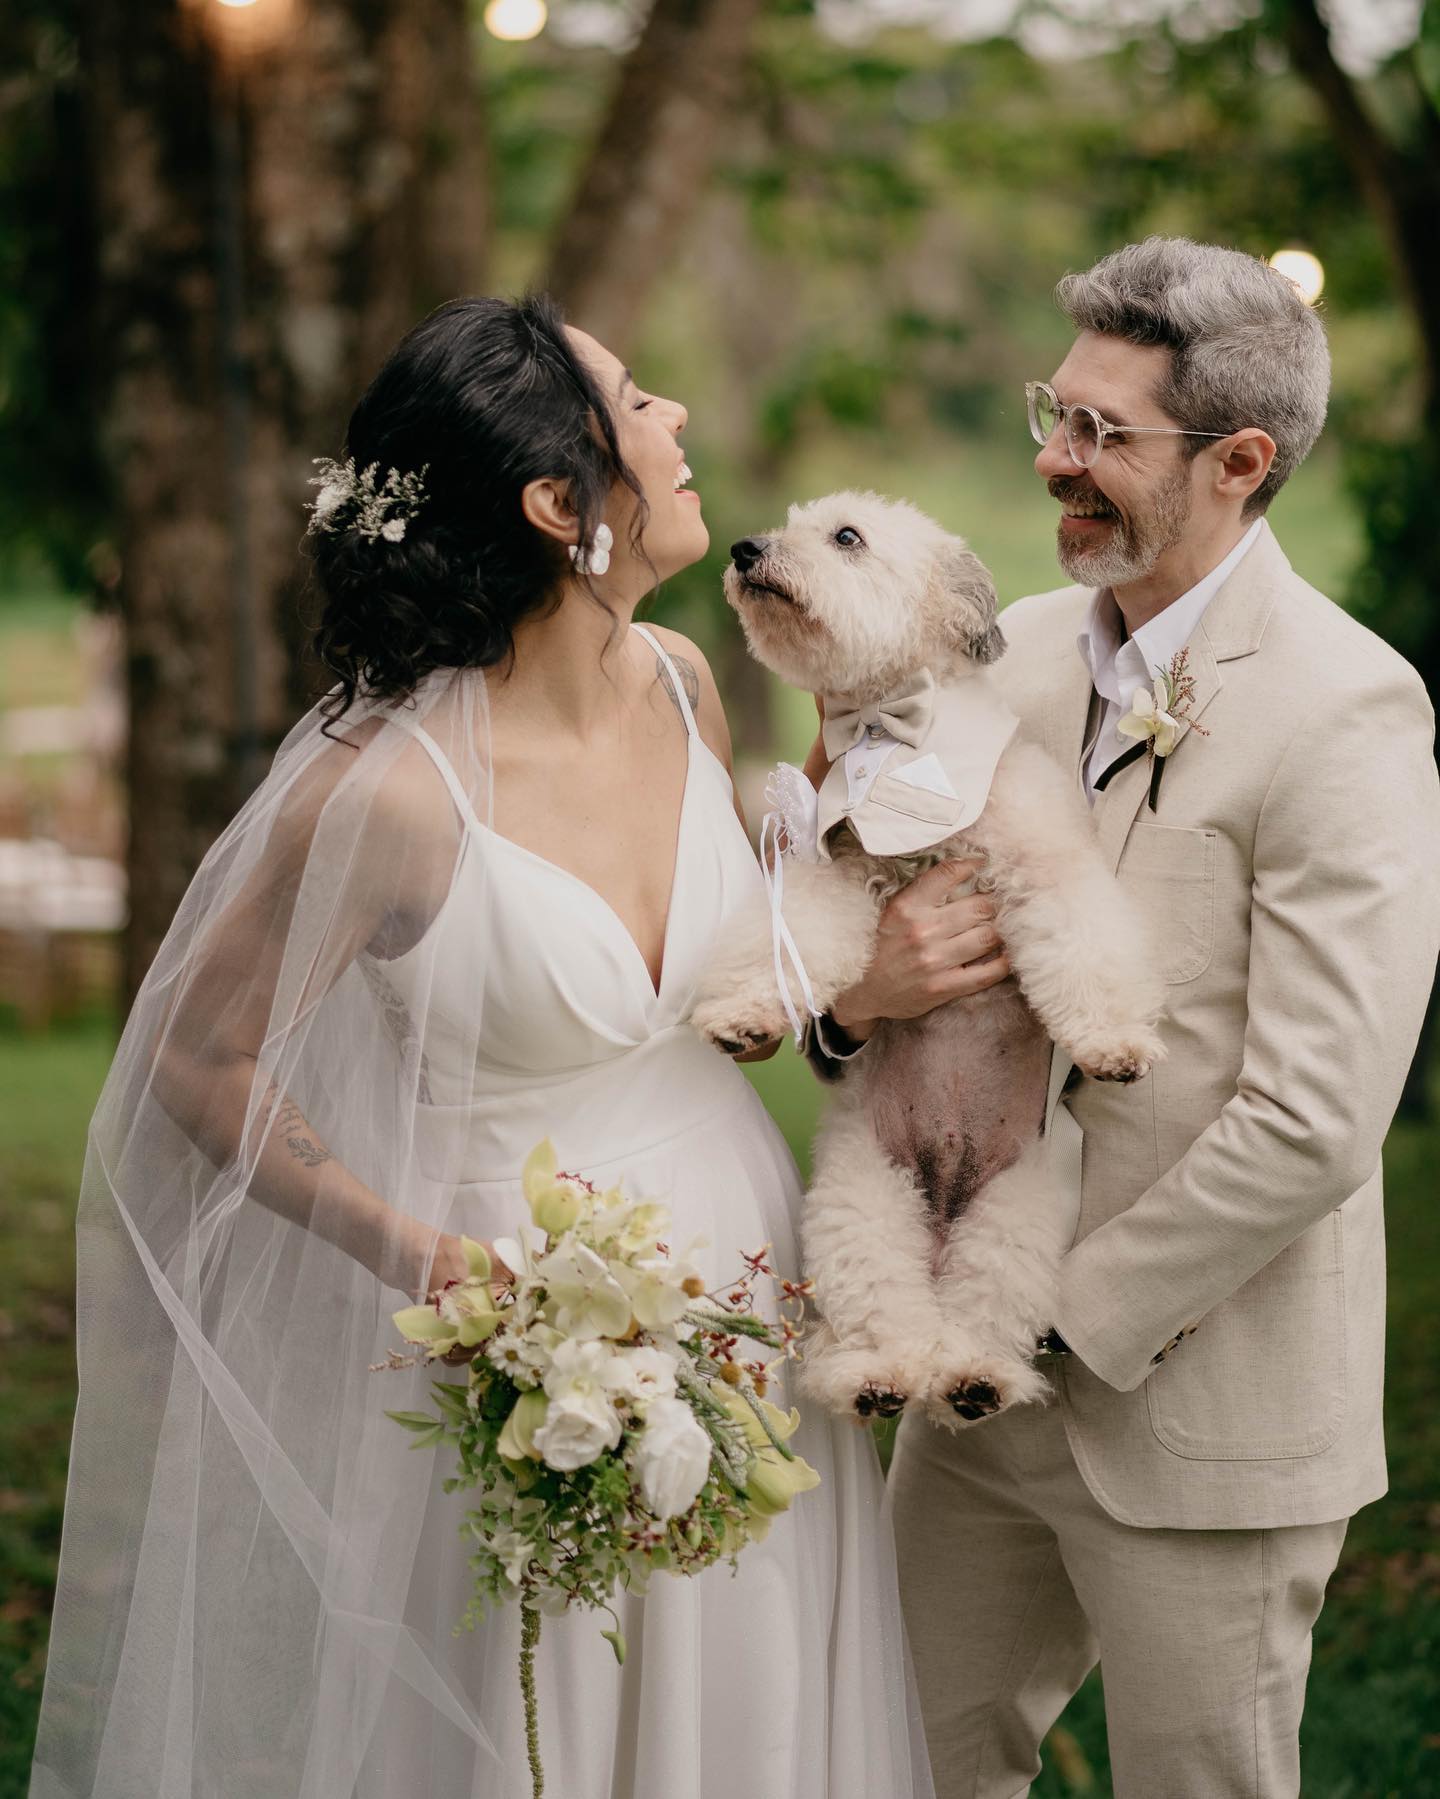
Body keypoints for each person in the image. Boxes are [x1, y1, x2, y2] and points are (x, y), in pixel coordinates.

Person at [29, 295, 931, 1799]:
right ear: (557, 502)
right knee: (544, 1718)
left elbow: (724, 988)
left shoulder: (684, 684)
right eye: (639, 403)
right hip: (532, 1330)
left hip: (744, 1282)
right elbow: (200, 1063)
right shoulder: (386, 793)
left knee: (754, 1702)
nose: (681, 422)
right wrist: (427, 1260)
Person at [808, 237, 1440, 1797]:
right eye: (1056, 411)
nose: (1053, 458)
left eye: (1103, 435)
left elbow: (1317, 1120)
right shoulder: (996, 652)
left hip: (1194, 1404)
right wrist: (841, 1013)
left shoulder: (1348, 708)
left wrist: (1053, 1314)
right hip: (962, 1402)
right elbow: (839, 923)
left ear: (1239, 463)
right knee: (895, 1768)